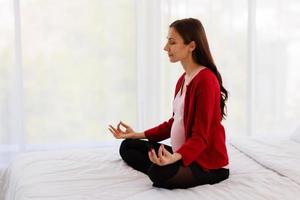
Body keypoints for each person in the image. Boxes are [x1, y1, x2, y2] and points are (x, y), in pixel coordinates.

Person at [108, 18, 229, 189]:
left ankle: (164, 166)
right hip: (181, 154)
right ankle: (165, 164)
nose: (166, 48)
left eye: (172, 42)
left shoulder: (206, 81)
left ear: (191, 46)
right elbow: (174, 123)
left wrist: (174, 157)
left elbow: (201, 137)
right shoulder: (183, 79)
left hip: (205, 162)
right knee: (128, 146)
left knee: (158, 175)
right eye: (167, 41)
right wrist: (136, 134)